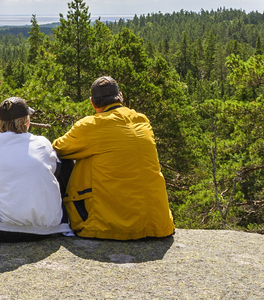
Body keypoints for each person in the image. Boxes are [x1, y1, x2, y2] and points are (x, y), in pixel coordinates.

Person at [52, 76, 175, 240]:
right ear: (121, 97)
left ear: (93, 103)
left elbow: (57, 148)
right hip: (158, 225)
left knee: (62, 159)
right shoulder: (142, 120)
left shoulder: (91, 125)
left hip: (109, 227)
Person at [0, 97, 73, 242]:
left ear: (0, 123)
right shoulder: (43, 144)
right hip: (48, 228)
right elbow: (58, 171)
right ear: (26, 122)